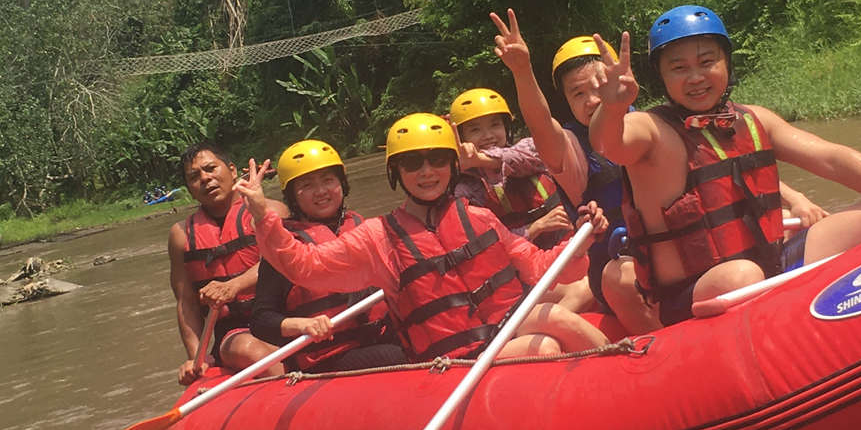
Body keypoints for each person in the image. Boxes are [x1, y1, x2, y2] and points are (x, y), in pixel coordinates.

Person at [587, 6, 861, 326]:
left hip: (772, 267)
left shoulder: (755, 120)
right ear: (662, 78)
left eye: (707, 61)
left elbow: (831, 158)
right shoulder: (650, 131)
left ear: (727, 63)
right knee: (742, 276)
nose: (695, 76)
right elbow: (608, 143)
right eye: (678, 68)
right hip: (699, 293)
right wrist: (614, 107)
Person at [487, 10, 827, 336]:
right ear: (567, 102)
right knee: (617, 275)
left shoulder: (657, 124)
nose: (593, 99)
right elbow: (541, 125)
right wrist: (521, 70)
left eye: (600, 84)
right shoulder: (573, 151)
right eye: (579, 93)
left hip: (697, 251)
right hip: (633, 266)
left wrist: (795, 198)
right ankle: (667, 347)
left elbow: (725, 170)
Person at [233, 114, 608, 363]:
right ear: (396, 173)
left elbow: (541, 267)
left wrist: (580, 240)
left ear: (451, 165)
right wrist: (261, 213)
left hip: (502, 327)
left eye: (436, 160)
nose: (426, 172)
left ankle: (623, 369)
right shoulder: (377, 237)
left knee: (557, 318)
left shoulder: (479, 217)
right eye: (413, 164)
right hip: (453, 359)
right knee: (543, 348)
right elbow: (304, 266)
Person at [247, 139, 406, 372]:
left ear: (342, 184)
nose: (321, 191)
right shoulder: (285, 245)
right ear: (292, 195)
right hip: (330, 357)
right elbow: (261, 321)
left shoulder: (364, 228)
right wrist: (302, 324)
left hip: (381, 337)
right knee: (397, 356)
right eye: (307, 185)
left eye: (328, 180)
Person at [167, 140, 270, 380]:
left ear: (232, 170)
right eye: (194, 176)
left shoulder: (269, 212)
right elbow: (187, 303)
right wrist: (197, 359)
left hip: (282, 318)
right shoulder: (180, 236)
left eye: (211, 168)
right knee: (247, 349)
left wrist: (233, 286)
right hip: (233, 334)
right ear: (190, 188)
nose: (204, 178)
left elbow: (280, 263)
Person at [447, 86, 573, 250]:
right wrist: (534, 228)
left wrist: (480, 160)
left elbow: (523, 158)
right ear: (462, 137)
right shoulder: (467, 187)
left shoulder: (529, 148)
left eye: (495, 125)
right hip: (527, 263)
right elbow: (483, 243)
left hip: (571, 244)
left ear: (506, 127)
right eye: (475, 129)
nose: (488, 135)